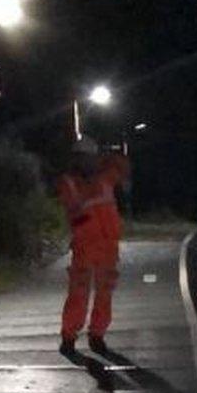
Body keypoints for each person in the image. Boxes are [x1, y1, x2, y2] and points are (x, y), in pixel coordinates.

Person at [56, 136, 130, 357]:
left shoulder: (105, 178)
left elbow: (123, 166)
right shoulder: (69, 182)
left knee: (104, 295)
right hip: (86, 247)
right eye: (82, 158)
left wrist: (110, 153)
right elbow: (74, 209)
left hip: (107, 248)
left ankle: (97, 335)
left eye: (89, 157)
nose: (87, 162)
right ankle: (69, 337)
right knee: (79, 294)